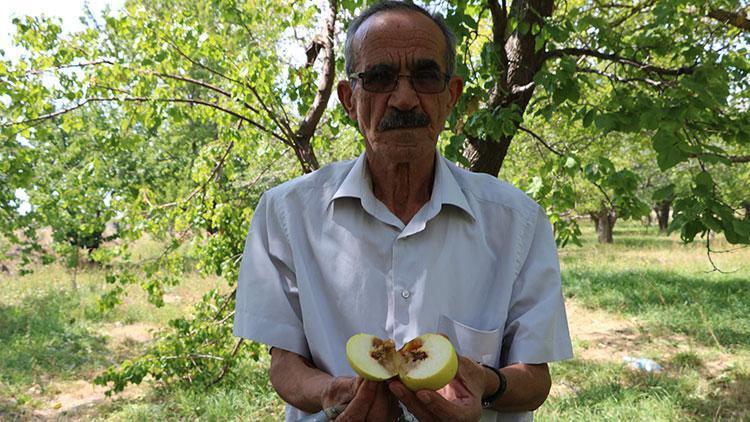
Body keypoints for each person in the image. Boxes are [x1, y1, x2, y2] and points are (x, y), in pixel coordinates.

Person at [233, 1, 573, 421]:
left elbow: (535, 378)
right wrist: (329, 393)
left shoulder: (516, 221)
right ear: (348, 100)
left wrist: (487, 384)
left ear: (451, 97)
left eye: (426, 76)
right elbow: (284, 365)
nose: (405, 99)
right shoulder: (287, 214)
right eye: (379, 77)